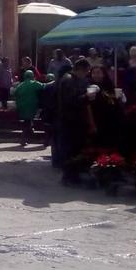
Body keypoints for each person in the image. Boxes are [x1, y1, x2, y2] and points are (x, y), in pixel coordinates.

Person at [56, 58, 95, 186]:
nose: (86, 74)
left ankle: (74, 174)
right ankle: (69, 176)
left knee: (76, 148)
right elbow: (71, 101)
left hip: (75, 120)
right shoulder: (68, 80)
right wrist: (86, 97)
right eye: (86, 71)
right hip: (70, 120)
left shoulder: (75, 80)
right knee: (70, 149)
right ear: (80, 70)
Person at [13, 70, 44, 146]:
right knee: (27, 122)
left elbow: (14, 92)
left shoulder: (20, 85)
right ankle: (23, 139)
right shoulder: (34, 83)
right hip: (31, 106)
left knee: (27, 121)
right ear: (32, 76)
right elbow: (43, 86)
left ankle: (30, 132)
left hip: (22, 107)